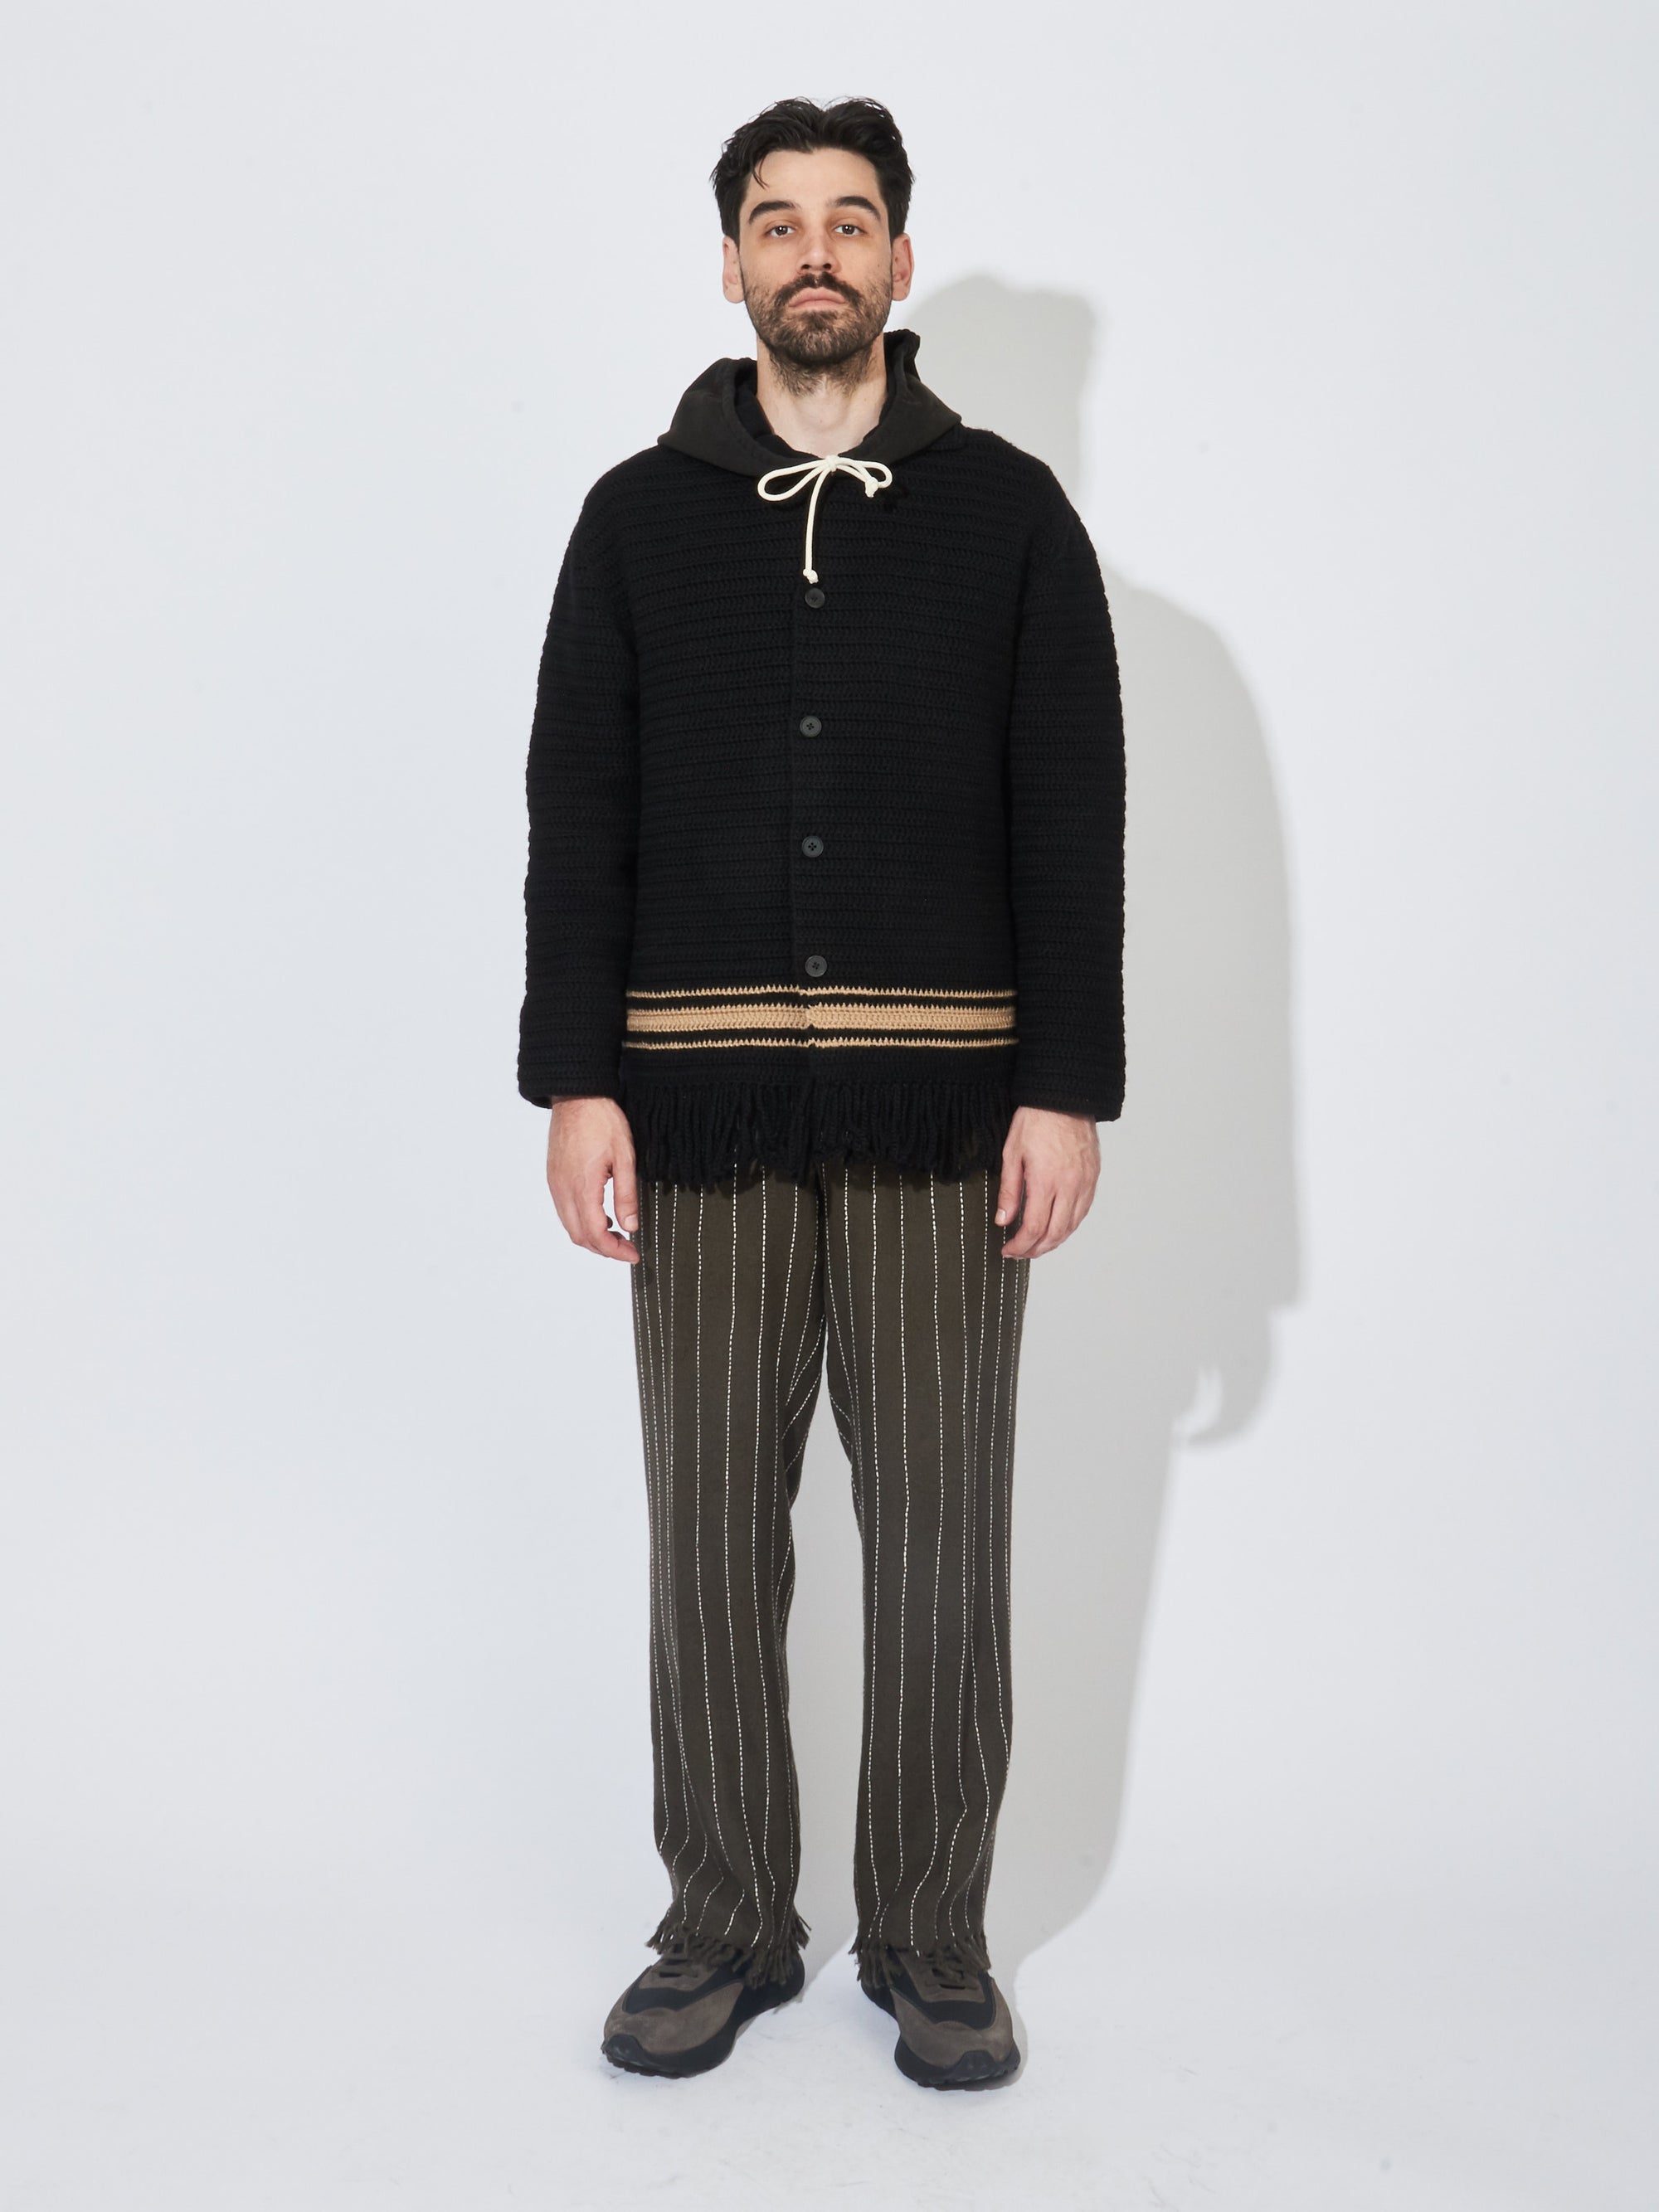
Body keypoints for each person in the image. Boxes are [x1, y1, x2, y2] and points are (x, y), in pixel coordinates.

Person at [517, 95, 1125, 2091]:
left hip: (950, 1114)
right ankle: (722, 1921)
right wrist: (574, 1082)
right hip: (690, 1113)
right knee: (707, 1534)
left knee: (941, 1536)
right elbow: (578, 812)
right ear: (729, 264)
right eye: (776, 222)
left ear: (896, 260)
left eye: (848, 220)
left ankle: (932, 1935)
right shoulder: (632, 519)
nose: (813, 251)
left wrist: (1065, 1088)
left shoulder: (1010, 516)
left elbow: (1071, 818)